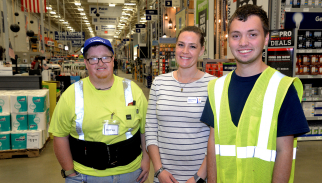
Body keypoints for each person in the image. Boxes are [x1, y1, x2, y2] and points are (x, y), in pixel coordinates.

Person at [201, 4, 309, 183]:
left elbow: (284, 151)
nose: (243, 42)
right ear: (229, 40)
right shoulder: (216, 88)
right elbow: (213, 145)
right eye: (236, 36)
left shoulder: (282, 88)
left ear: (266, 38)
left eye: (252, 34)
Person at [48, 36, 150, 183]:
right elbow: (60, 136)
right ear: (86, 63)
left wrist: (146, 160)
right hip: (86, 176)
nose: (100, 63)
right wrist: (69, 172)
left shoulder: (132, 89)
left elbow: (145, 130)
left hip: (132, 174)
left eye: (105, 57)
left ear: (113, 59)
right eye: (93, 59)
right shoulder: (71, 94)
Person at [145, 26, 216, 183]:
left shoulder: (213, 85)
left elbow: (216, 136)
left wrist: (198, 177)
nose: (185, 51)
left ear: (201, 50)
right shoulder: (159, 83)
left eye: (192, 46)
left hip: (200, 177)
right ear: (175, 47)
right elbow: (150, 129)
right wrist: (158, 171)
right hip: (164, 177)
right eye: (181, 45)